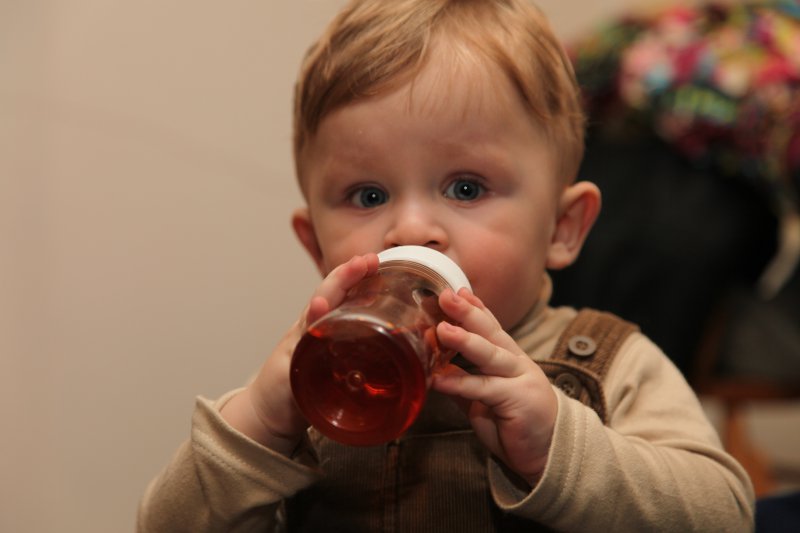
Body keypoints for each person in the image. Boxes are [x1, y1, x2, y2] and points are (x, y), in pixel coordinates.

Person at [138, 0, 755, 531]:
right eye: (368, 196)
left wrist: (558, 450)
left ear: (562, 227)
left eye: (466, 188)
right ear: (315, 245)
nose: (411, 230)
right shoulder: (310, 388)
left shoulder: (613, 364)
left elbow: (725, 514)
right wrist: (257, 427)